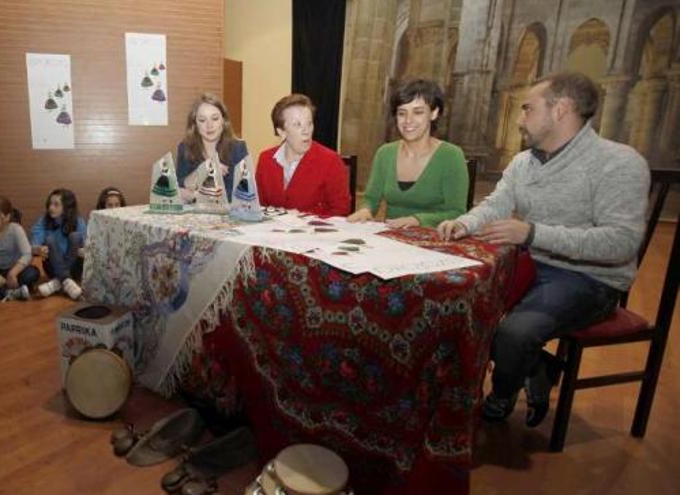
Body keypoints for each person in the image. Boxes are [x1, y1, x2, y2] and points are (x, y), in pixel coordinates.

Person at [437, 72, 650, 427]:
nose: (519, 119)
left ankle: (502, 395)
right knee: (457, 307)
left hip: (590, 279)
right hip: (532, 267)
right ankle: (538, 365)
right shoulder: (524, 162)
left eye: (527, 109)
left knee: (515, 332)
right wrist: (464, 224)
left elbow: (620, 243)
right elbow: (496, 204)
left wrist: (533, 233)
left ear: (561, 110)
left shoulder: (620, 163)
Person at [348, 79, 467, 227]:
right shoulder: (385, 153)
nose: (408, 120)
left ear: (434, 113)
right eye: (402, 113)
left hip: (434, 240)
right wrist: (365, 210)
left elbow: (456, 212)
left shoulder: (451, 156)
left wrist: (416, 220)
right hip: (390, 238)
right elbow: (371, 199)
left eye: (418, 112)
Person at [255, 94, 350, 216]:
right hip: (273, 233)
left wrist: (306, 220)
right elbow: (259, 208)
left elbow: (341, 211)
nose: (306, 131)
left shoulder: (330, 161)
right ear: (282, 132)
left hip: (315, 233)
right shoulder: (266, 160)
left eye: (309, 124)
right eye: (297, 125)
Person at [176, 93, 248, 202]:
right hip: (195, 216)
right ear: (194, 125)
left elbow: (243, 193)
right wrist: (203, 170)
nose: (209, 125)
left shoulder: (238, 148)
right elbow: (178, 188)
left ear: (223, 121)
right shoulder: (185, 148)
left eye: (215, 119)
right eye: (202, 120)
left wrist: (194, 195)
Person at [30, 189, 86, 300]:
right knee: (50, 239)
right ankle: (66, 280)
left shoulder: (78, 221)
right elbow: (33, 247)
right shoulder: (43, 221)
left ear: (67, 207)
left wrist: (83, 251)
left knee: (75, 236)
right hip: (52, 267)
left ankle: (57, 283)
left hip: (75, 267)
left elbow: (89, 249)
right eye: (50, 204)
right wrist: (39, 249)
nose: (51, 208)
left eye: (56, 205)